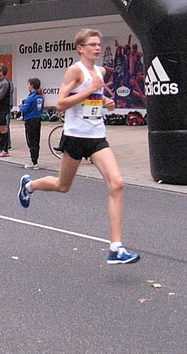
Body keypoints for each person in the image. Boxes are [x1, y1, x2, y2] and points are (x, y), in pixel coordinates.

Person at [17, 29, 140, 265]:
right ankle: (29, 185)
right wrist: (90, 89)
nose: (97, 47)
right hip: (74, 137)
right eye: (92, 44)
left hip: (96, 137)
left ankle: (116, 248)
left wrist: (105, 101)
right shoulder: (75, 71)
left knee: (117, 183)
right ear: (80, 48)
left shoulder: (100, 72)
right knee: (63, 186)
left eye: (99, 44)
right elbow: (61, 104)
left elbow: (93, 99)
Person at [20, 77, 44, 169]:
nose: (28, 86)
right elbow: (41, 109)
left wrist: (21, 106)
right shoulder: (40, 97)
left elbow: (24, 109)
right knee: (36, 141)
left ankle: (34, 162)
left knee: (31, 141)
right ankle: (35, 160)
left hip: (30, 120)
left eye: (29, 84)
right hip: (37, 120)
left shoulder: (30, 98)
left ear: (32, 85)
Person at [0, 65, 12, 158]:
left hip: (3, 109)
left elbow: (0, 96)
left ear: (1, 72)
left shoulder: (4, 83)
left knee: (3, 129)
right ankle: (1, 148)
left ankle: (5, 150)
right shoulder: (0, 82)